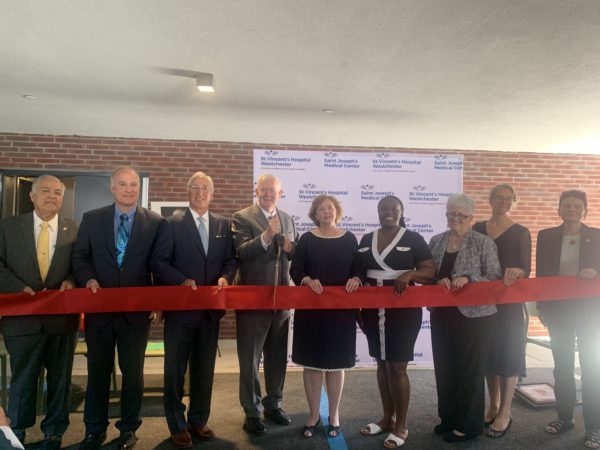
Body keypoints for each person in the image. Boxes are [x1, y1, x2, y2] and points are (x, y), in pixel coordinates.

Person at [72, 166, 168, 450]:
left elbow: (158, 266)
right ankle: (94, 430)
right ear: (112, 188)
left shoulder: (155, 222)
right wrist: (88, 278)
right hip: (99, 312)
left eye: (133, 185)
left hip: (136, 314)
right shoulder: (92, 219)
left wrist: (158, 303)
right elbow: (80, 257)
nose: (129, 189)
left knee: (133, 373)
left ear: (139, 189)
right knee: (98, 372)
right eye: (123, 184)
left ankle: (128, 429)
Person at [151, 172, 236, 448]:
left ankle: (198, 420)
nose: (201, 192)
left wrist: (225, 278)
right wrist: (181, 280)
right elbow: (159, 262)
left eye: (206, 188)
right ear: (188, 192)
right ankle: (176, 424)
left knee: (204, 369)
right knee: (174, 371)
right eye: (196, 188)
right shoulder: (171, 223)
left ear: (212, 194)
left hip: (210, 312)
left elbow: (231, 260)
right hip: (180, 311)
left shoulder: (224, 224)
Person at [0, 175, 79, 450]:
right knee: (22, 379)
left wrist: (72, 280)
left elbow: (81, 265)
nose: (52, 196)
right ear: (32, 196)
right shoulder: (7, 227)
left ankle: (54, 433)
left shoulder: (74, 229)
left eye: (58, 192)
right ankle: (17, 431)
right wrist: (17, 286)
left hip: (61, 321)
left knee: (60, 379)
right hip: (22, 320)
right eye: (45, 190)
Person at [356, 196, 435, 448]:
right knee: (381, 363)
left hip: (403, 310)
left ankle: (402, 425)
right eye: (383, 209)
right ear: (378, 212)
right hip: (372, 310)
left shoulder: (413, 238)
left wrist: (410, 273)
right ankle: (387, 419)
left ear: (401, 212)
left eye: (394, 209)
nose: (388, 213)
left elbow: (430, 272)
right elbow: (358, 270)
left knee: (397, 367)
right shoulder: (367, 239)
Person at [428, 193, 501, 443]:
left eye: (460, 214)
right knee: (445, 369)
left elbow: (494, 277)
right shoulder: (436, 241)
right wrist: (438, 279)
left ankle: (469, 425)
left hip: (476, 317)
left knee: (469, 371)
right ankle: (448, 418)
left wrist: (469, 279)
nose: (455, 218)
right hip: (442, 314)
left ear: (471, 217)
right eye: (451, 213)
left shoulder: (483, 242)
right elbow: (429, 275)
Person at [290, 194, 362, 439]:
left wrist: (356, 278)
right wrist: (307, 279)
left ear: (337, 211)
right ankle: (313, 416)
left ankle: (334, 415)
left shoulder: (350, 238)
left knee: (335, 365)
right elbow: (296, 269)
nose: (326, 212)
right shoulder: (307, 239)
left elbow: (359, 267)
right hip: (311, 312)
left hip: (340, 313)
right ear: (315, 214)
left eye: (330, 207)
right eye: (321, 209)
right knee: (312, 365)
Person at [231, 174, 298, 435]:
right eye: (264, 190)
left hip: (282, 302)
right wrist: (268, 235)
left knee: (277, 358)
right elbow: (241, 252)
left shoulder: (289, 219)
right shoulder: (242, 217)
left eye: (274, 190)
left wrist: (292, 248)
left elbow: (293, 254)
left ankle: (274, 404)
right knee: (249, 359)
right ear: (256, 190)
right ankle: (252, 411)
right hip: (253, 302)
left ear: (280, 193)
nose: (269, 194)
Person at [536, 190, 600, 449]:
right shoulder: (546, 236)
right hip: (558, 310)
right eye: (566, 205)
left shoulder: (597, 236)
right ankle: (565, 418)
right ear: (559, 210)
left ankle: (594, 427)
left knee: (592, 369)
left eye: (576, 205)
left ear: (584, 211)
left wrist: (596, 269)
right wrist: (541, 306)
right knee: (562, 367)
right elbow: (542, 272)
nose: (571, 209)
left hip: (590, 312)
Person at [473, 184, 531, 438]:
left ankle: (505, 412)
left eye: (508, 198)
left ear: (514, 202)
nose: (503, 201)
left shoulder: (521, 232)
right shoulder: (476, 229)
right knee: (489, 356)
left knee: (508, 356)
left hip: (509, 305)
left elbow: (526, 269)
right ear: (491, 200)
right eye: (498, 197)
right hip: (483, 305)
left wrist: (519, 271)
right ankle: (493, 405)